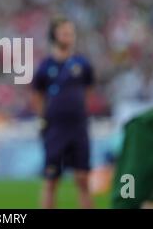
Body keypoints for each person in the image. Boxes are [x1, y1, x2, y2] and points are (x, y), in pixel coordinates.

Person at [31, 17, 94, 209]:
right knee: (51, 179)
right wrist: (43, 119)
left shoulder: (82, 64)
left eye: (71, 33)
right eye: (65, 32)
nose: (69, 37)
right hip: (56, 128)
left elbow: (88, 91)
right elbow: (37, 95)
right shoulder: (45, 66)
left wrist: (80, 111)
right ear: (54, 35)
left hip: (78, 127)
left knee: (82, 178)